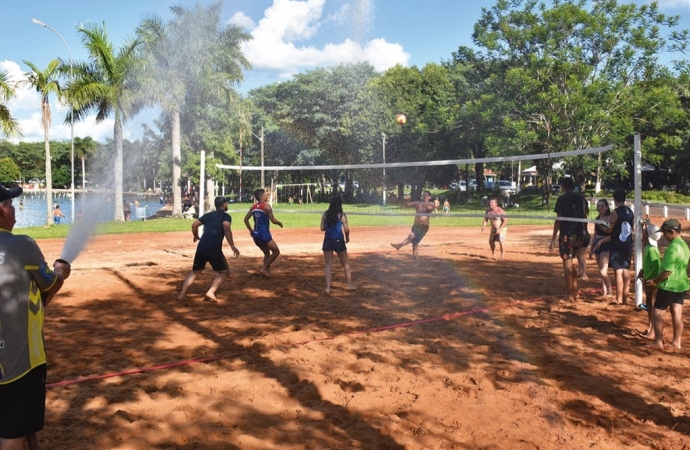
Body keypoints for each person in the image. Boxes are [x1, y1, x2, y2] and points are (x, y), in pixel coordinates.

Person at [0, 184, 71, 450]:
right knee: (13, 432)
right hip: (21, 361)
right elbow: (50, 284)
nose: (14, 207)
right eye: (9, 203)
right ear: (0, 210)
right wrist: (61, 270)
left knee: (16, 422)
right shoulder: (22, 245)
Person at [178, 196, 240, 303]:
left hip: (202, 247)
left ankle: (182, 294)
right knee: (224, 272)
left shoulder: (208, 215)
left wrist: (196, 236)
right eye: (226, 203)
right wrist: (232, 246)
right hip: (214, 248)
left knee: (195, 272)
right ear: (224, 204)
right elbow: (226, 229)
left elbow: (194, 225)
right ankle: (211, 292)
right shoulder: (226, 217)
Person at [646, 219, 690, 350]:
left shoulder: (672, 247)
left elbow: (668, 270)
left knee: (658, 311)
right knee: (677, 312)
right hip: (681, 285)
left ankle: (658, 341)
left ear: (672, 232)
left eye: (665, 233)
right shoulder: (684, 245)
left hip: (669, 285)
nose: (663, 236)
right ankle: (677, 342)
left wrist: (655, 281)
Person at [549, 177, 588, 301]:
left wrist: (553, 238)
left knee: (567, 265)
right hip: (579, 234)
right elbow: (585, 215)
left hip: (567, 234)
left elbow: (558, 220)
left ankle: (569, 295)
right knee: (571, 263)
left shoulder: (562, 198)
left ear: (562, 186)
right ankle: (575, 291)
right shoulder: (581, 198)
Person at [244, 189, 284, 277]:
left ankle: (266, 272)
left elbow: (245, 219)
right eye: (265, 194)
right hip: (264, 234)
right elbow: (273, 220)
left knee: (266, 253)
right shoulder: (267, 207)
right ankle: (264, 268)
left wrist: (251, 230)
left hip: (256, 234)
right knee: (276, 251)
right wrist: (279, 223)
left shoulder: (253, 207)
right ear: (262, 197)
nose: (267, 196)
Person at [320, 194, 354, 293]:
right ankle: (350, 285)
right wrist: (347, 238)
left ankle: (327, 288)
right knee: (345, 263)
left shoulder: (325, 214)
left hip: (328, 240)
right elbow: (346, 229)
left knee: (328, 264)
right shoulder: (342, 215)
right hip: (338, 239)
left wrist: (330, 227)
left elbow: (322, 228)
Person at [606, 189, 634, 304]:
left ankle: (619, 299)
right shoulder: (630, 211)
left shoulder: (615, 212)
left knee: (618, 272)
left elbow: (610, 229)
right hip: (627, 244)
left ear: (615, 199)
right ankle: (625, 299)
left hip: (617, 244)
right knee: (626, 272)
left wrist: (603, 229)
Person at [390, 190, 434, 264]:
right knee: (415, 244)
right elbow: (407, 205)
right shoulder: (418, 203)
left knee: (411, 236)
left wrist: (424, 202)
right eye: (423, 195)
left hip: (423, 226)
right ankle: (417, 262)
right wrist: (407, 199)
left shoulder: (431, 203)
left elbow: (429, 208)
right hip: (416, 225)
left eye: (426, 195)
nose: (424, 196)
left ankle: (399, 246)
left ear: (429, 197)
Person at [637, 221, 661, 337]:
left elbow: (656, 267)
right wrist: (642, 270)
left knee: (652, 305)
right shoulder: (648, 247)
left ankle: (653, 330)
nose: (643, 233)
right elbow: (648, 264)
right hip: (648, 279)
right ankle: (650, 326)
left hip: (652, 282)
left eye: (645, 232)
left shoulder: (652, 250)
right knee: (649, 306)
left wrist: (648, 277)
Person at [589, 199, 613, 296]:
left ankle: (610, 291)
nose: (600, 208)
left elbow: (612, 235)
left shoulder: (610, 218)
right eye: (598, 206)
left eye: (602, 206)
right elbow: (595, 235)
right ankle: (604, 291)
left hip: (606, 244)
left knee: (603, 270)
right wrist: (591, 249)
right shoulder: (597, 218)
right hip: (597, 244)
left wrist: (601, 241)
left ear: (607, 207)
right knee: (600, 270)